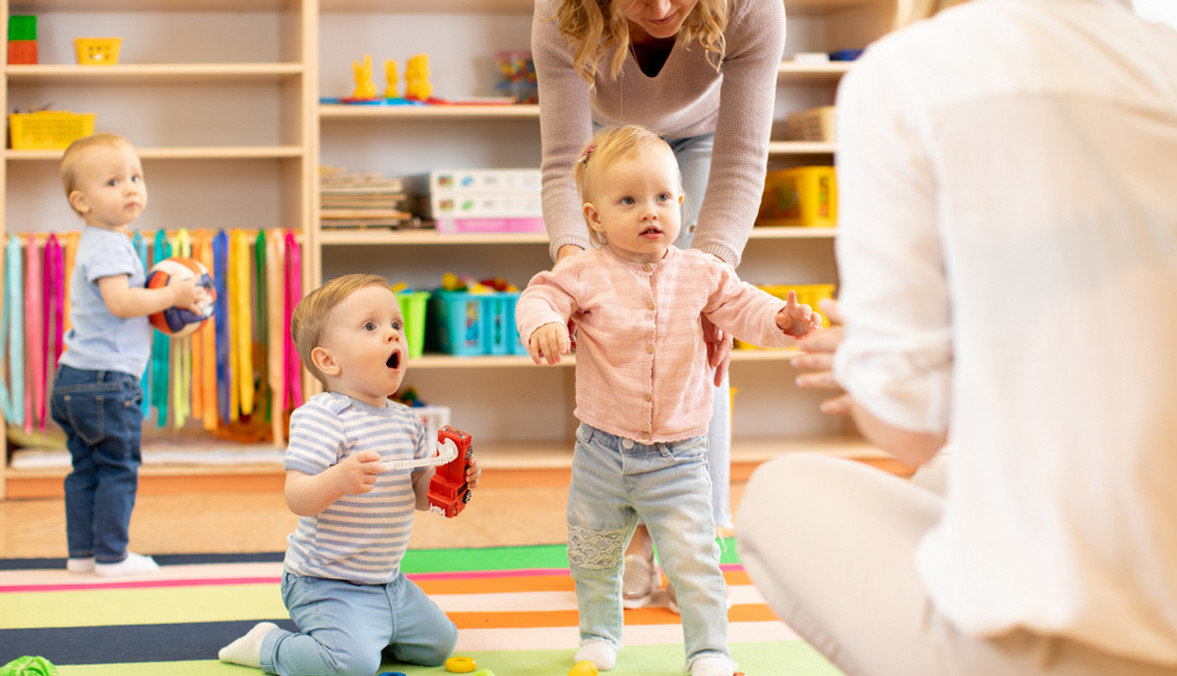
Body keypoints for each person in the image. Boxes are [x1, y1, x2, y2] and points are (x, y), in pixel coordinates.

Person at [736, 0, 1177, 674]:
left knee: (780, 494)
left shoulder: (906, 74)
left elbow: (908, 425)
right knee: (943, 476)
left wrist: (873, 361)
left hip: (1081, 644)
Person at [516, 125, 822, 676]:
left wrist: (782, 320)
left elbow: (745, 307)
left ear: (681, 203)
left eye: (662, 197)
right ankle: (599, 636)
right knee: (592, 555)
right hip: (601, 453)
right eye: (628, 200)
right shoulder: (584, 271)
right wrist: (544, 323)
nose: (649, 211)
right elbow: (542, 294)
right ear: (594, 218)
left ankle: (709, 650)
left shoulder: (702, 272)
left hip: (679, 457)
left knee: (695, 560)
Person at [532, 0, 785, 605]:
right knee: (618, 321)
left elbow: (741, 161)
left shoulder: (751, 9)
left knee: (698, 331)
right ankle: (630, 538)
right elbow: (562, 160)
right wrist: (574, 267)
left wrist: (710, 288)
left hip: (701, 142)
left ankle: (693, 541)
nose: (664, 7)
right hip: (601, 144)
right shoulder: (558, 13)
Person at [217, 273, 482, 676]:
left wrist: (452, 479)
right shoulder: (322, 416)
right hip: (324, 582)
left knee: (441, 645)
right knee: (350, 667)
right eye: (371, 326)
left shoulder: (407, 420)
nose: (393, 336)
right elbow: (297, 496)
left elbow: (418, 494)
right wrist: (338, 480)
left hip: (388, 581)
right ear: (328, 360)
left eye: (396, 325)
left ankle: (370, 630)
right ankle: (268, 645)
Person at [52, 133, 206, 578]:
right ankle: (112, 557)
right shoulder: (108, 244)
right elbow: (121, 302)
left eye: (136, 177)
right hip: (105, 382)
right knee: (118, 467)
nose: (132, 188)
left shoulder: (99, 241)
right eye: (114, 181)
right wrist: (173, 295)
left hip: (74, 379)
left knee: (85, 469)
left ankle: (82, 554)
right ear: (81, 201)